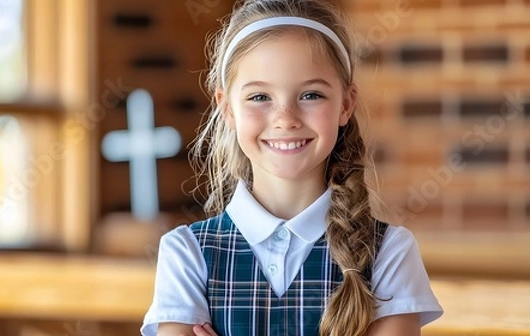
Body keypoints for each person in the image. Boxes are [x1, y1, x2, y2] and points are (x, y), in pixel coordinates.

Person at [141, 0, 443, 335]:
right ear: (227, 109)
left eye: (311, 95)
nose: (286, 119)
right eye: (259, 97)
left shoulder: (390, 252)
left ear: (345, 104)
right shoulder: (186, 254)